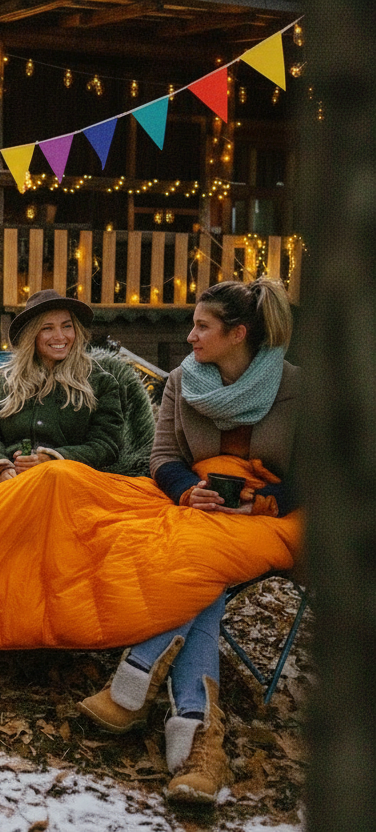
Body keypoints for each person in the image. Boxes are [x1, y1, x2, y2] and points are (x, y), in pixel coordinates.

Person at [78, 278, 298, 805]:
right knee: (200, 564)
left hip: (273, 516)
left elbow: (324, 473)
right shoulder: (182, 381)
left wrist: (264, 501)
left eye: (203, 326)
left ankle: (134, 677)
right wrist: (189, 490)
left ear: (238, 333)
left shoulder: (297, 387)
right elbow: (162, 459)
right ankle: (199, 747)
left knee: (198, 556)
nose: (190, 335)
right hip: (202, 513)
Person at [0, 289, 130, 483]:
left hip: (69, 483)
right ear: (32, 335)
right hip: (7, 484)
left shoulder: (100, 383)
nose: (60, 336)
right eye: (47, 328)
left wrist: (54, 459)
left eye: (67, 326)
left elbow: (106, 445)